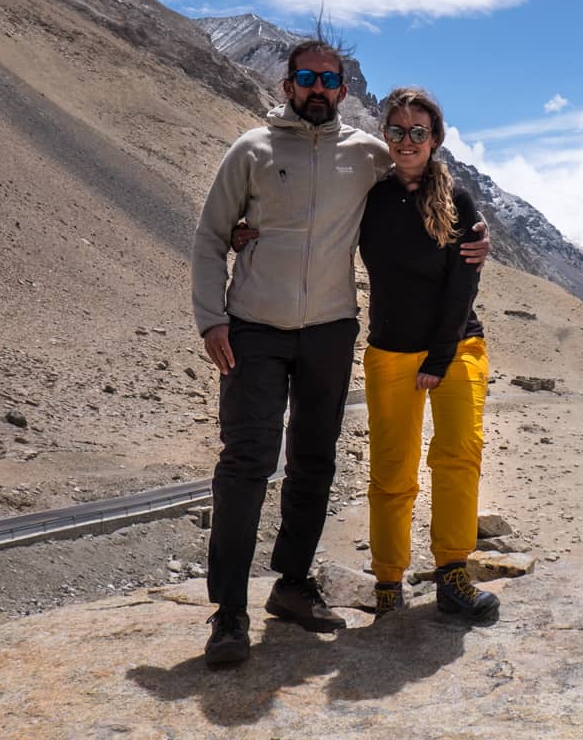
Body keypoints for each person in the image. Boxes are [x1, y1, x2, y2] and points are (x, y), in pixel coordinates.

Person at [191, 40, 489, 667]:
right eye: (307, 77)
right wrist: (211, 317)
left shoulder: (369, 155)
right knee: (247, 462)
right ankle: (229, 613)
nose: (319, 87)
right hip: (254, 328)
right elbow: (214, 236)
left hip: (330, 329)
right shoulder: (251, 150)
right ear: (287, 85)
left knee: (314, 460)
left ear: (345, 88)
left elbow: (430, 185)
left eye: (331, 78)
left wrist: (478, 234)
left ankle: (292, 585)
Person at [362, 87, 498, 621]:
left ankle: (452, 571)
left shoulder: (457, 201)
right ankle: (388, 582)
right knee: (392, 469)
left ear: (435, 139)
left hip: (456, 345)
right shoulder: (369, 198)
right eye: (396, 130)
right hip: (391, 351)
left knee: (459, 453)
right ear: (385, 136)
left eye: (418, 132)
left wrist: (438, 359)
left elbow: (463, 286)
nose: (407, 140)